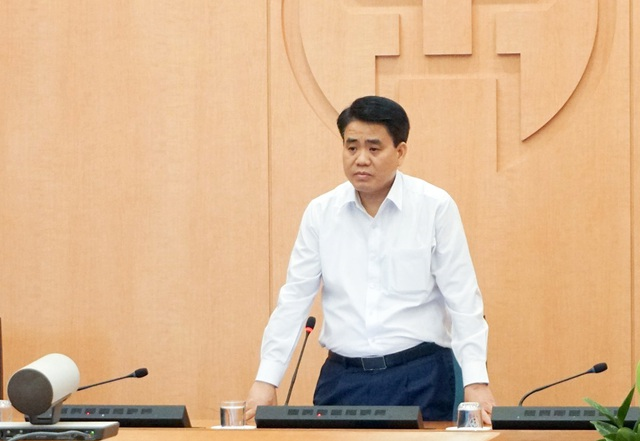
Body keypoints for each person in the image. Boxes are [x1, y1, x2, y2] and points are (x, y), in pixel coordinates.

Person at [245, 96, 495, 423]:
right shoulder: (321, 213)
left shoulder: (434, 207)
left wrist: (476, 381)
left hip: (420, 376)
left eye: (374, 148)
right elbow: (294, 299)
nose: (361, 159)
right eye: (352, 147)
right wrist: (267, 379)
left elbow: (463, 299)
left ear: (400, 152)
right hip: (342, 379)